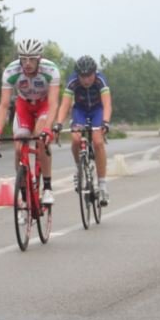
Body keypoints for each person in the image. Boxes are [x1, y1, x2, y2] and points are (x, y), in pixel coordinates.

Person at [0, 38, 61, 205]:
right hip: (24, 106)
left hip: (43, 105)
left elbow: (53, 103)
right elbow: (3, 105)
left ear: (39, 58)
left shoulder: (51, 70)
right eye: (23, 59)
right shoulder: (11, 71)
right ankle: (23, 192)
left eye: (32, 59)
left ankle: (47, 188)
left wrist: (48, 129)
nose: (27, 63)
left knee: (41, 138)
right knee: (19, 147)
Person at [52, 55, 112, 206]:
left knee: (98, 142)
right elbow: (65, 105)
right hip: (80, 111)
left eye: (89, 76)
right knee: (76, 139)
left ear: (94, 72)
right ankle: (79, 168)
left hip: (97, 111)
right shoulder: (73, 81)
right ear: (77, 75)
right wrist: (59, 123)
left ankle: (102, 185)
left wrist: (105, 122)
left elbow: (107, 104)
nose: (86, 80)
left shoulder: (100, 80)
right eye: (82, 76)